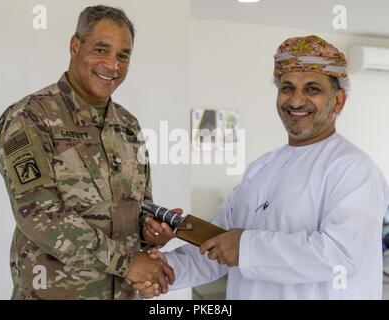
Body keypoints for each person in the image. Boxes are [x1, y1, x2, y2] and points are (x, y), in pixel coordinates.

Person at [137, 35, 389, 299]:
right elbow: (217, 246)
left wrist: (245, 249)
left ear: (338, 100)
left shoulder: (354, 169)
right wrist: (163, 268)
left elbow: (340, 255)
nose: (296, 101)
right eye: (287, 88)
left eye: (312, 89)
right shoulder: (261, 168)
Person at [0, 5, 179, 300]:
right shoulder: (30, 117)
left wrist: (149, 232)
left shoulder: (128, 125)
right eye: (101, 50)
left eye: (123, 55)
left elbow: (139, 207)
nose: (112, 65)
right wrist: (128, 262)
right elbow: (38, 215)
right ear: (75, 46)